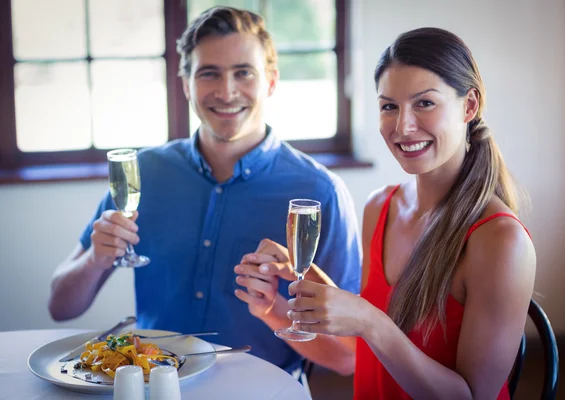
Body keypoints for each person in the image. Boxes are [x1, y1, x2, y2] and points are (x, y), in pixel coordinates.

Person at [47, 6, 361, 376]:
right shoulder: (143, 174)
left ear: (271, 82)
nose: (227, 92)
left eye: (243, 73)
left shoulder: (319, 193)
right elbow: (60, 307)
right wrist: (96, 259)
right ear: (185, 84)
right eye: (209, 73)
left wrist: (273, 309)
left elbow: (347, 359)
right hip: (152, 387)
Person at [235, 27, 536, 399]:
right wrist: (284, 296)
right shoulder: (380, 206)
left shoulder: (501, 240)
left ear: (469, 106)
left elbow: (471, 396)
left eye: (424, 103)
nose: (403, 126)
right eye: (389, 106)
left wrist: (369, 321)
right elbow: (364, 349)